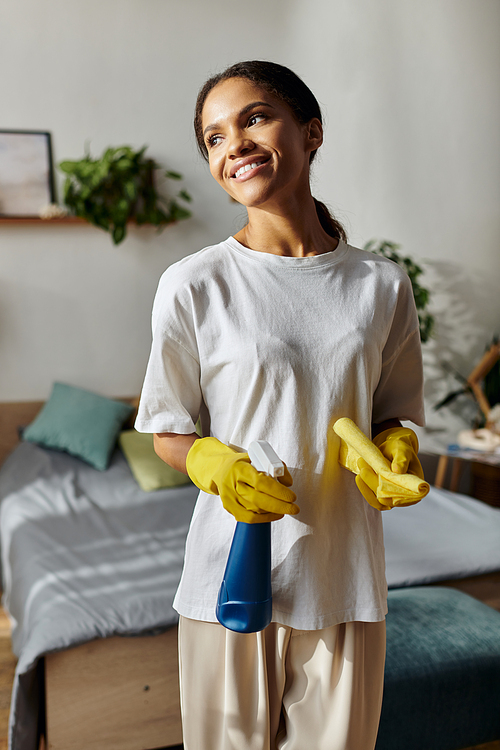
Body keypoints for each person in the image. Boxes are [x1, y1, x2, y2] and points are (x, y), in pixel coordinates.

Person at [135, 60, 425, 750]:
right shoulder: (194, 284)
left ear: (311, 132)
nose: (233, 143)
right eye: (213, 137)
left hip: (345, 577)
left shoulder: (381, 285)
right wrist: (212, 462)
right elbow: (168, 429)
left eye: (254, 118)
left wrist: (397, 446)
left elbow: (395, 410)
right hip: (229, 579)